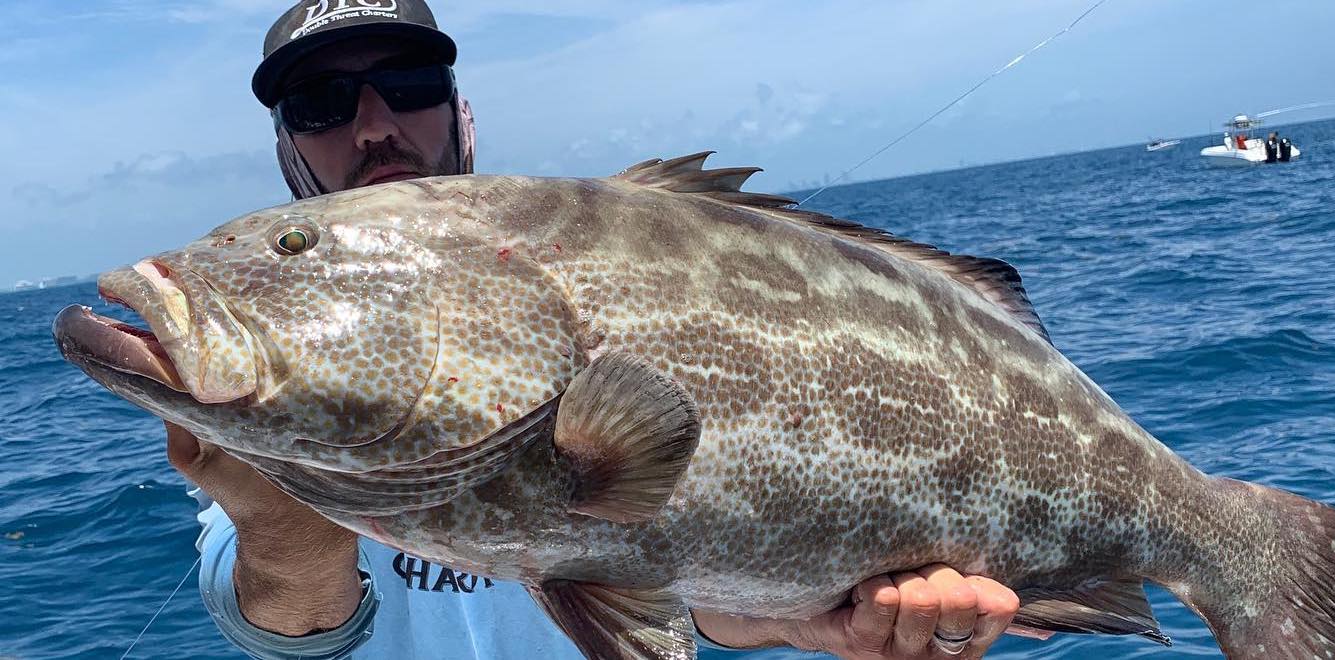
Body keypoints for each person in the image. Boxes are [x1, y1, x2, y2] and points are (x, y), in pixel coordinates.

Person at [169, 2, 1022, 659]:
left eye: (410, 87)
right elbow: (288, 631)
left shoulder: (597, 248)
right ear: (287, 148)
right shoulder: (270, 338)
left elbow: (690, 577)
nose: (373, 124)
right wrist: (280, 514)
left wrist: (804, 623)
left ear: (458, 110)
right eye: (319, 103)